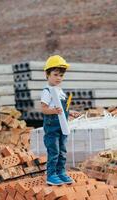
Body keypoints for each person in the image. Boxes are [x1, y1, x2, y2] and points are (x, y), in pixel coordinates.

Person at [40, 55, 76, 185]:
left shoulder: (60, 91)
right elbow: (43, 109)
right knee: (54, 151)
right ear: (47, 74)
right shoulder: (47, 91)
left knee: (62, 151)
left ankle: (61, 172)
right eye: (55, 74)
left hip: (63, 126)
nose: (58, 78)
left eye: (61, 75)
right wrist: (53, 111)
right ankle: (51, 175)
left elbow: (63, 108)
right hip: (52, 128)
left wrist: (70, 112)